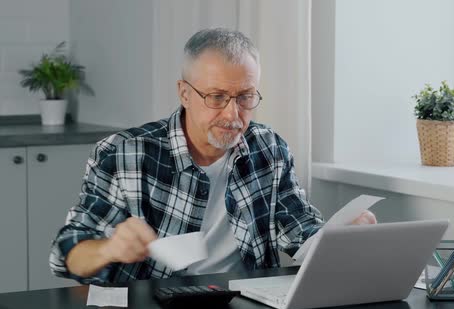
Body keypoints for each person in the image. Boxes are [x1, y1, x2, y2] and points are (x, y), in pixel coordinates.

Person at [49, 28, 376, 284]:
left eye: (246, 96)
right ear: (185, 93)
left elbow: (301, 233)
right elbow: (67, 252)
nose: (234, 114)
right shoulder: (123, 153)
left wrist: (341, 237)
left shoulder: (269, 149)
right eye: (217, 97)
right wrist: (108, 248)